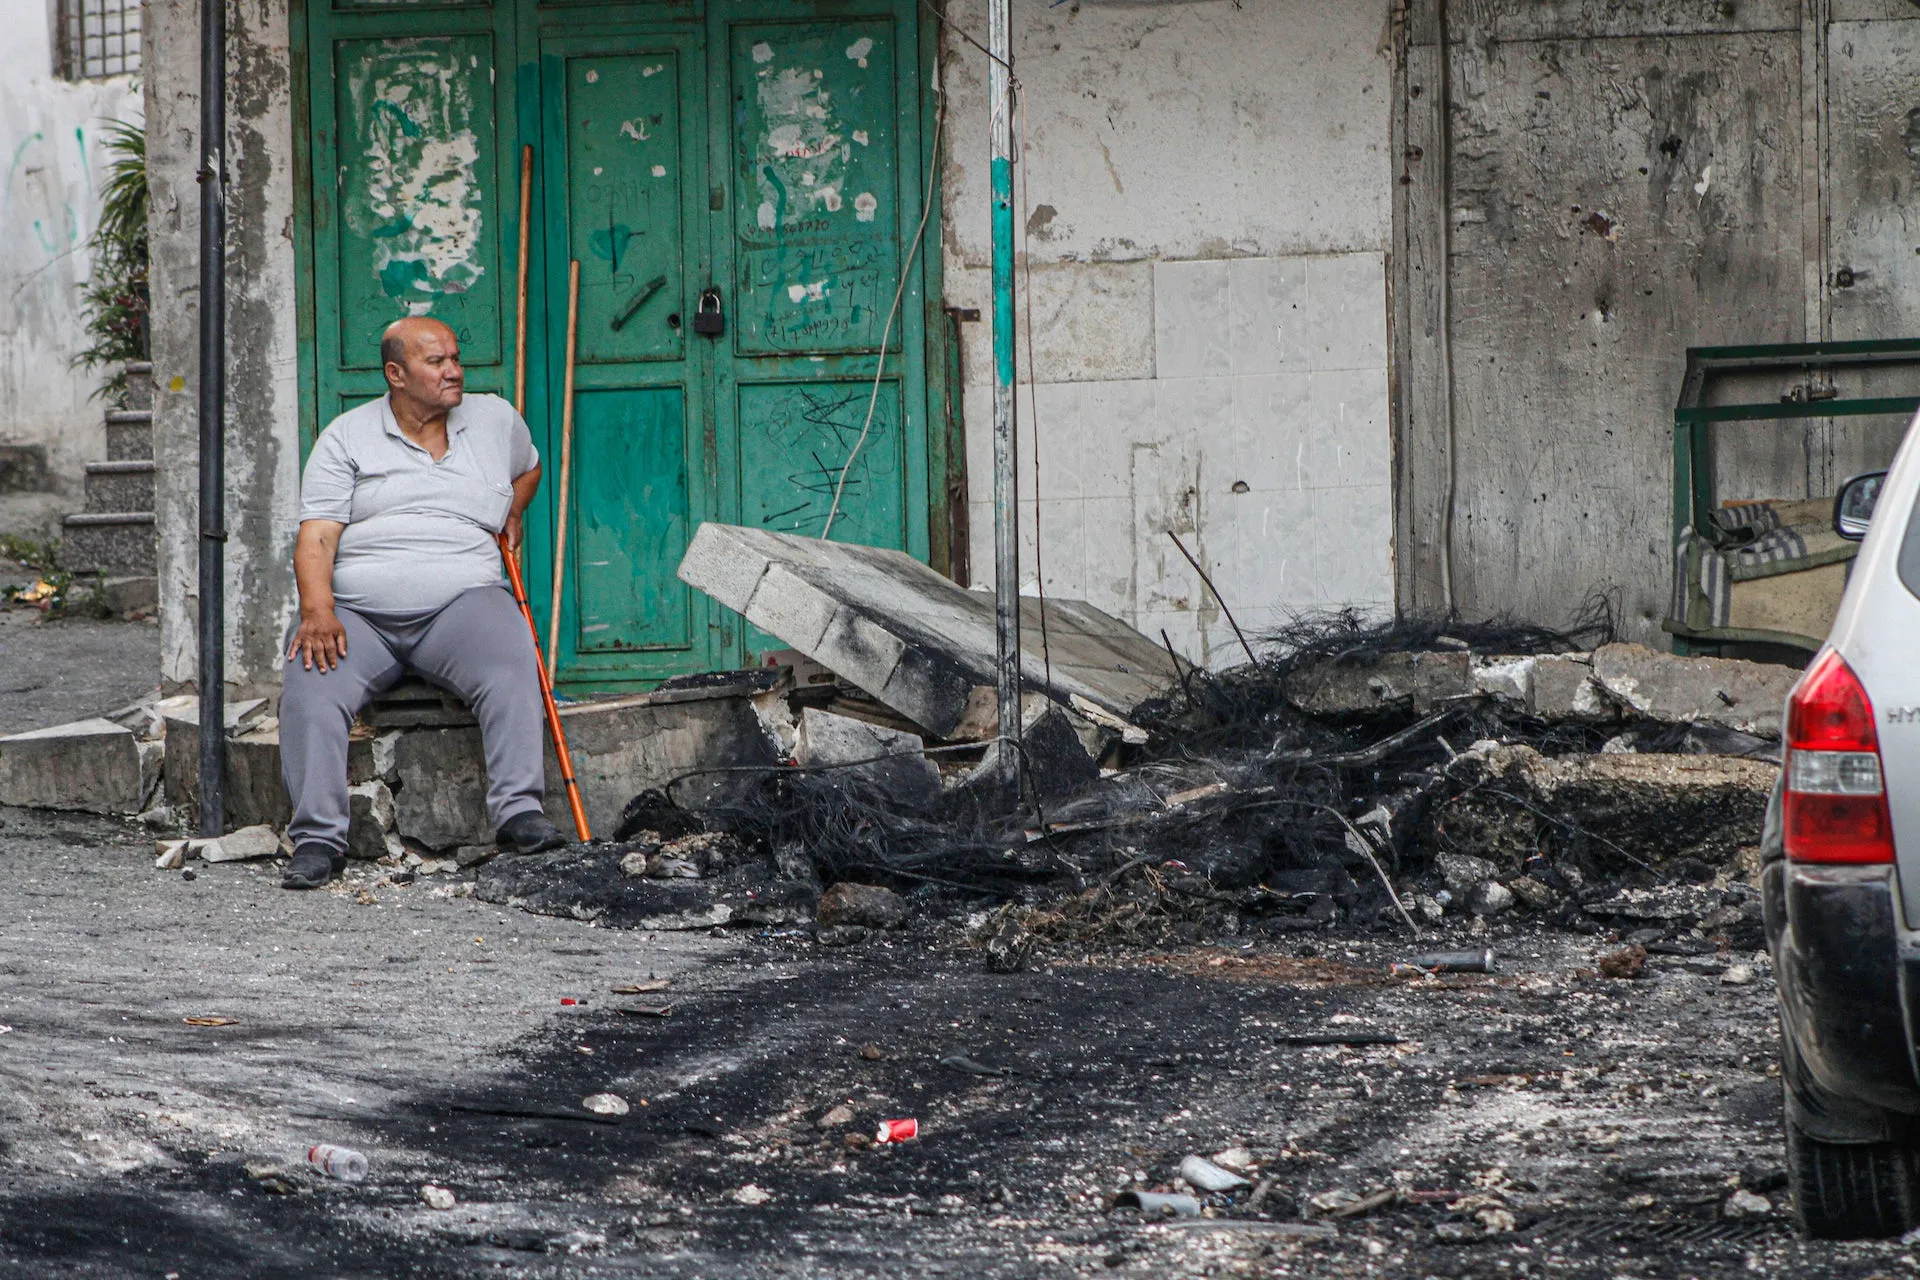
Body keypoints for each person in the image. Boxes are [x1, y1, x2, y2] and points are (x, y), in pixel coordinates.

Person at [278, 316, 567, 890]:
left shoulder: (493, 420)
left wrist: (512, 511)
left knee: (513, 656)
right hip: (358, 611)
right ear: (396, 374)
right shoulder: (347, 436)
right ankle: (317, 839)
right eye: (436, 363)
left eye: (455, 358)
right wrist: (317, 610)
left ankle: (519, 814)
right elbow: (317, 536)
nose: (453, 371)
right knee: (310, 681)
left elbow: (530, 468)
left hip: (462, 601)